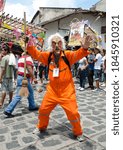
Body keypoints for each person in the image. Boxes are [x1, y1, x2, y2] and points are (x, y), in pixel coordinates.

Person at [26, 33, 92, 141]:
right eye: (54, 43)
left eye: (59, 42)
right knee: (43, 110)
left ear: (62, 44)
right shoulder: (47, 56)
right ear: (50, 45)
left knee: (73, 113)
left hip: (67, 92)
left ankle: (78, 132)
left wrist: (84, 47)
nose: (56, 45)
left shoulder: (67, 55)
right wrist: (29, 43)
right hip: (52, 92)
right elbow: (36, 54)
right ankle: (41, 127)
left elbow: (79, 54)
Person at [4, 52, 39, 117]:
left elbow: (18, 69)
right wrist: (34, 78)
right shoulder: (28, 58)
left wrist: (17, 78)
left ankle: (32, 106)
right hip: (24, 78)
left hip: (21, 77)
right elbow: (29, 68)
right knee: (19, 95)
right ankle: (8, 110)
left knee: (30, 91)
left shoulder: (20, 58)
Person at [0, 43, 14, 108]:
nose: (2, 51)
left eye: (3, 50)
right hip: (11, 76)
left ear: (6, 51)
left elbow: (3, 69)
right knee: (11, 89)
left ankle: (1, 103)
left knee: (4, 90)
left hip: (5, 76)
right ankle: (11, 101)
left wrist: (0, 77)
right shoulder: (11, 57)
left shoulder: (4, 58)